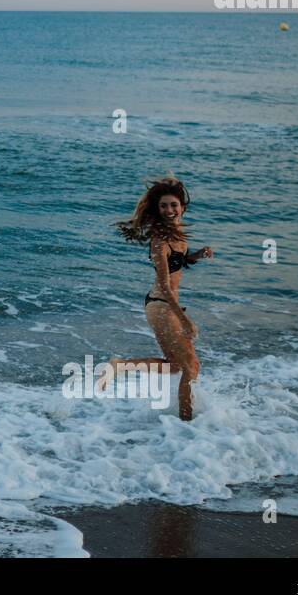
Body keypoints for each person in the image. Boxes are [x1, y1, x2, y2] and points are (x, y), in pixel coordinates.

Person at [105, 177, 213, 420]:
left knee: (176, 366)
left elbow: (179, 263)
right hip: (162, 304)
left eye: (173, 205)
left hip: (163, 306)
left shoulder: (179, 235)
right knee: (191, 366)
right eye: (164, 206)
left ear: (182, 207)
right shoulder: (159, 241)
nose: (169, 210)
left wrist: (196, 256)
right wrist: (183, 319)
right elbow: (164, 285)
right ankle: (187, 421)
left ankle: (120, 366)